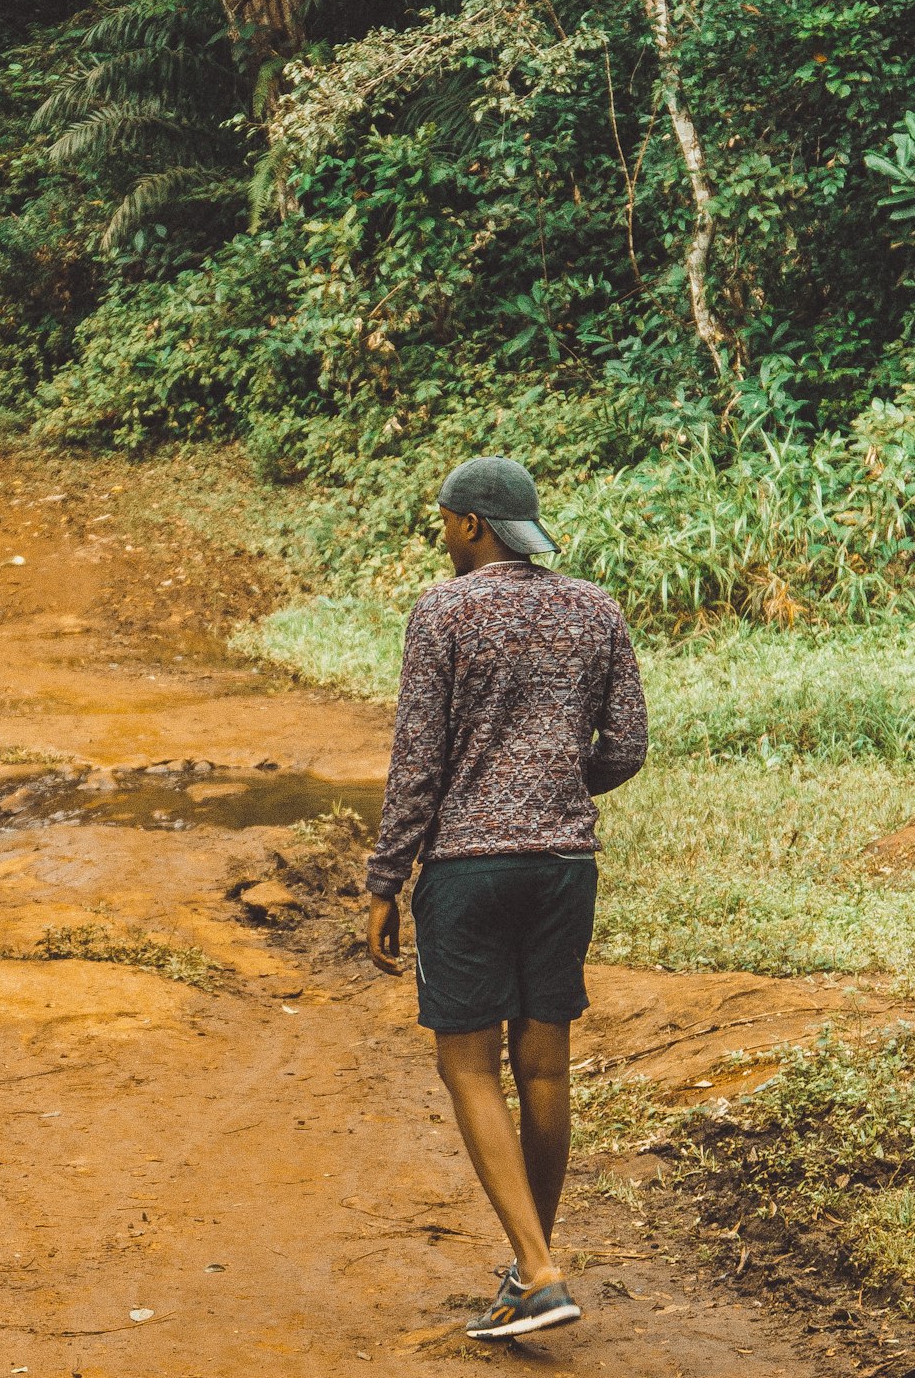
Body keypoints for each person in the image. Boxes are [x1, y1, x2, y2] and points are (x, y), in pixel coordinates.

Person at [365, 455, 648, 1342]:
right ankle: (535, 1267)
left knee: (469, 1067)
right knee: (546, 1067)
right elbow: (628, 743)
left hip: (468, 868)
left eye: (447, 520)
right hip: (565, 865)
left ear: (474, 525)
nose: (444, 534)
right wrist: (558, 785)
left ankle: (538, 1268)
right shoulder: (593, 606)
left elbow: (418, 762)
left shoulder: (444, 610)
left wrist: (385, 877)